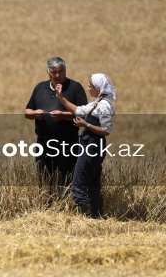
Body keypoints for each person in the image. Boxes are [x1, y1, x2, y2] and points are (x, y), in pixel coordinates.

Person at [56, 73, 116, 218]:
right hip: (90, 147)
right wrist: (61, 97)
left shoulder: (103, 106)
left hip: (92, 148)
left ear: (97, 88)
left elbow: (106, 131)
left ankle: (87, 219)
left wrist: (86, 125)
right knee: (93, 187)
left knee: (77, 187)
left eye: (90, 86)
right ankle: (97, 218)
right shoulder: (96, 103)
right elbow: (78, 110)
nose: (88, 88)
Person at [25, 57, 87, 191]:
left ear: (65, 70)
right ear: (48, 72)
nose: (58, 75)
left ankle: (68, 208)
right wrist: (35, 113)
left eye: (61, 71)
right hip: (44, 142)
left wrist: (63, 116)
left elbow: (84, 115)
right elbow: (27, 111)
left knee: (68, 178)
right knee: (45, 179)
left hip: (68, 142)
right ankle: (47, 208)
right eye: (54, 72)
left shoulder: (75, 88)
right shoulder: (40, 87)